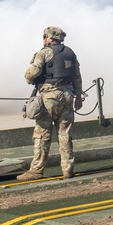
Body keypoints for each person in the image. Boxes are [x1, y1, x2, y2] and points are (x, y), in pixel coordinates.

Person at [18, 26, 83, 180]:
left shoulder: (44, 52)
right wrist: (78, 96)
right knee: (65, 134)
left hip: (49, 98)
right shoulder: (70, 53)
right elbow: (77, 76)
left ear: (48, 37)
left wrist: (28, 78)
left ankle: (36, 171)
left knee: (42, 134)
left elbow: (32, 73)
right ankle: (67, 169)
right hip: (67, 96)